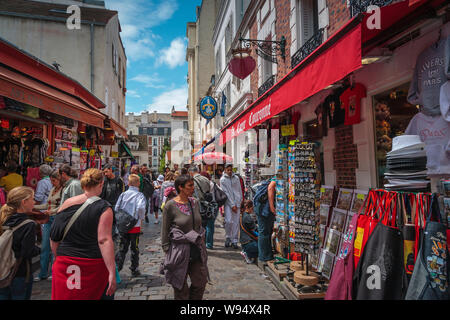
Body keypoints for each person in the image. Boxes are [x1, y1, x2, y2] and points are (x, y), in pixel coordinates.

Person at [50, 168, 115, 300]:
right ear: (101, 184)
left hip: (66, 265)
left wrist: (58, 257)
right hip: (93, 265)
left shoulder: (67, 204)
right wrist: (112, 271)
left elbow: (54, 236)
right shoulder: (104, 208)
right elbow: (104, 240)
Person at [160, 175, 208, 300]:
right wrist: (166, 249)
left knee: (200, 283)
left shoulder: (195, 202)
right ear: (180, 187)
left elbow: (199, 225)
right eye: (190, 186)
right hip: (179, 250)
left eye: (193, 185)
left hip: (196, 249)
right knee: (180, 287)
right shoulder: (170, 206)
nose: (193, 188)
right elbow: (165, 229)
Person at [0, 187, 40, 300]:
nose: (34, 202)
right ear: (24, 202)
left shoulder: (4, 218)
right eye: (32, 199)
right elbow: (28, 252)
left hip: (3, 271)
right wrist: (39, 249)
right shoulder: (28, 225)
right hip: (19, 273)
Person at [33, 169, 63, 282]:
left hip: (56, 219)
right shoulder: (53, 190)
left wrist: (52, 211)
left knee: (54, 247)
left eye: (54, 180)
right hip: (48, 219)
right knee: (45, 246)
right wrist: (34, 207)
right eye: (51, 181)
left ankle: (55, 272)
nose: (52, 183)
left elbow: (62, 205)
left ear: (59, 180)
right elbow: (47, 204)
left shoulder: (63, 191)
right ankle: (43, 273)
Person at [114, 174, 147, 277]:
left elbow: (116, 208)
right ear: (138, 184)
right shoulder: (139, 195)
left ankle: (117, 268)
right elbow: (141, 208)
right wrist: (140, 218)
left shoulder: (123, 194)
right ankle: (134, 268)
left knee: (122, 247)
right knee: (134, 247)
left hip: (123, 225)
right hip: (134, 226)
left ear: (128, 183)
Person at [220, 164, 243, 249]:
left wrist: (240, 201)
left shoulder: (236, 178)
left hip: (237, 203)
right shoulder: (222, 180)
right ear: (225, 170)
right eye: (228, 170)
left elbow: (239, 190)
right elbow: (225, 192)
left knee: (236, 222)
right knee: (229, 221)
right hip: (228, 203)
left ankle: (235, 240)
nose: (229, 172)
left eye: (231, 170)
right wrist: (232, 204)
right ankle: (228, 237)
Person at [257, 177, 277, 263]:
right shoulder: (275, 180)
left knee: (266, 232)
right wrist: (272, 207)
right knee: (264, 232)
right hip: (264, 209)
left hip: (263, 209)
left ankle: (267, 255)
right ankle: (264, 256)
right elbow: (270, 187)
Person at [200, 171, 218, 249]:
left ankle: (206, 243)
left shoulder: (207, 184)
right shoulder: (213, 183)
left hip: (207, 206)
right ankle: (209, 243)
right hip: (214, 205)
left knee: (206, 225)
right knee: (210, 225)